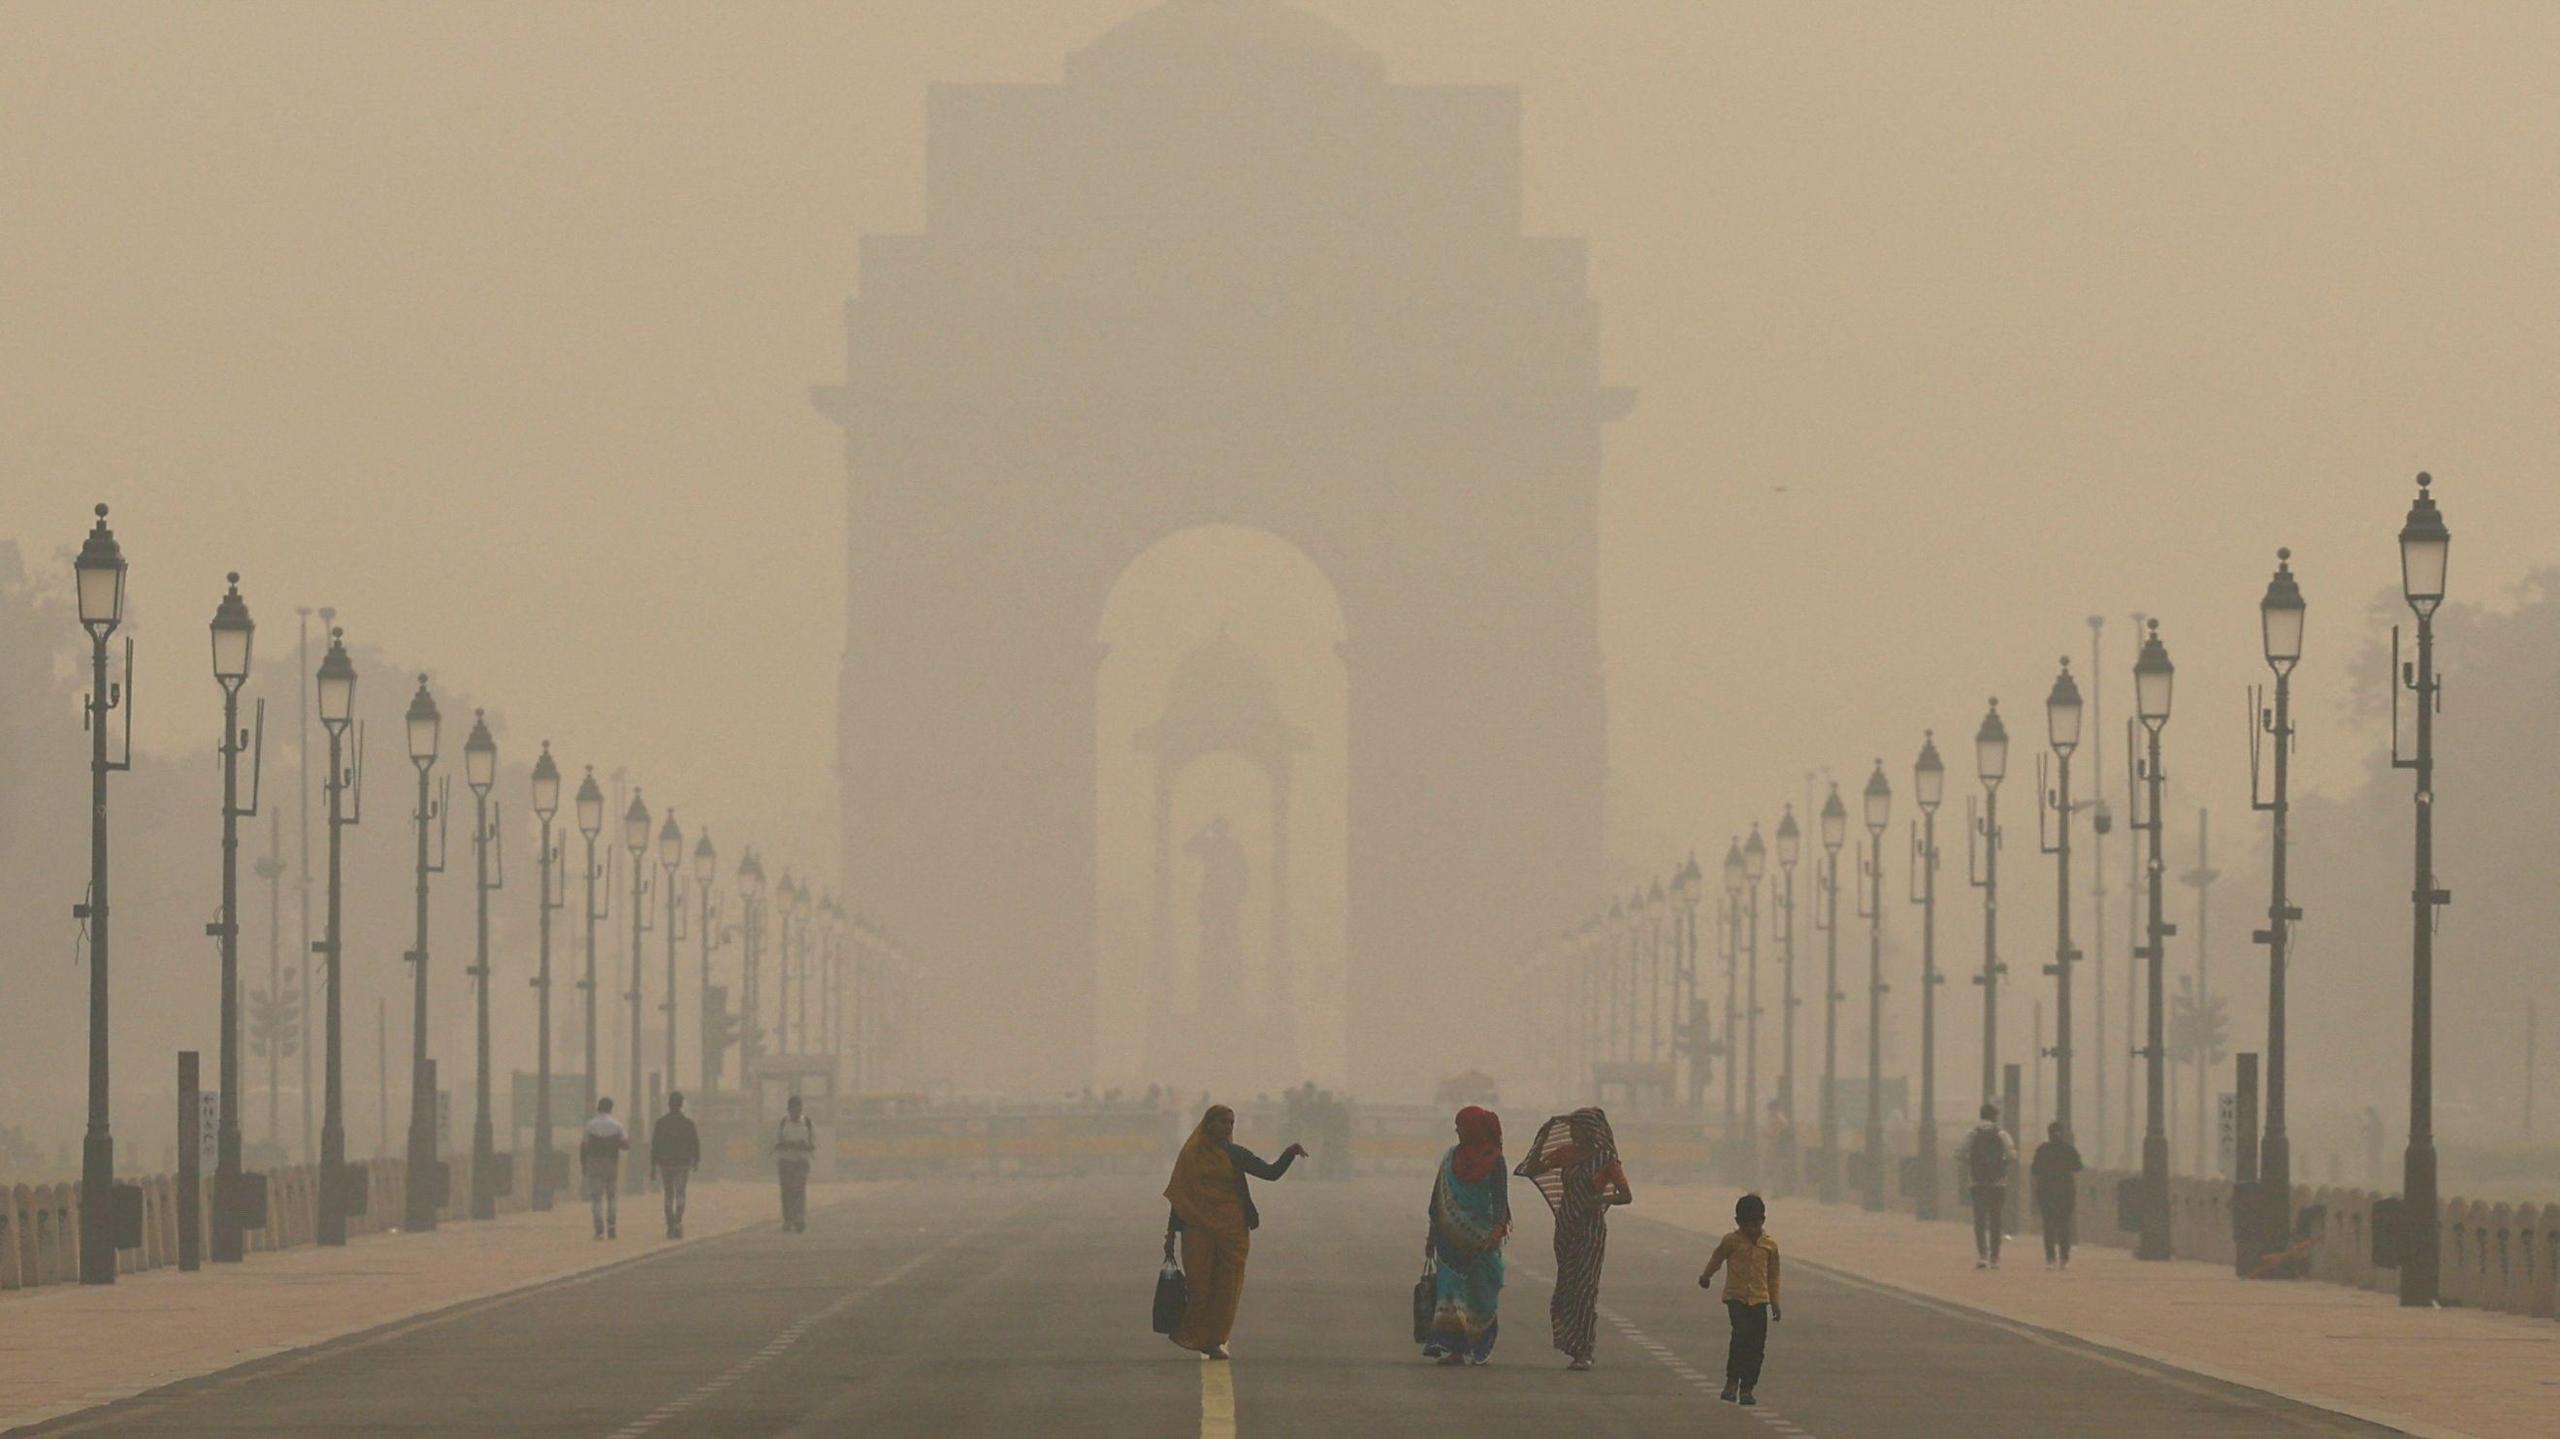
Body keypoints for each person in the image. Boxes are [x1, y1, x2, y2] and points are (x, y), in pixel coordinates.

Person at [1162, 1103, 1307, 1360]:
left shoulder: (1235, 1154)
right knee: (1200, 1285)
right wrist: (1171, 1234)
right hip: (1197, 1229)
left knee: (1227, 1287)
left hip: (1232, 1231)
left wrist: (1288, 1155)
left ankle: (1214, 1340)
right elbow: (1181, 1195)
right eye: (1223, 1121)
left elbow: (1269, 1173)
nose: (1228, 1127)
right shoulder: (1191, 1155)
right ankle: (1193, 1333)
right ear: (1209, 1124)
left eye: (1231, 1123)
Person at [1516, 1106, 1632, 1371]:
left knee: (1585, 1287)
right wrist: (1542, 1142)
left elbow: (1626, 1195)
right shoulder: (1565, 1154)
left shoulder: (1606, 1159)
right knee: (1567, 1285)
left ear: (1590, 1130)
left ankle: (1584, 1348)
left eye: (1577, 1128)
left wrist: (1598, 1199)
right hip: (1566, 1226)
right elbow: (1532, 1168)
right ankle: (1571, 1342)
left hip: (1590, 1228)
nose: (1573, 1132)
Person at [1421, 1106, 1511, 1366]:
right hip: (1449, 1237)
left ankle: (1479, 1345)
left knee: (1482, 1292)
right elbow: (1437, 1199)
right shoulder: (1450, 1158)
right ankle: (1455, 1350)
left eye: (1461, 1126)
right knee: (1451, 1292)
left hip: (1482, 1238)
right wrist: (1431, 1236)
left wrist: (1497, 1229)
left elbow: (1500, 1198)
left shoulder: (1495, 1159)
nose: (1457, 1131)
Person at [1698, 1192, 1781, 1406]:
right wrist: (1706, 1276)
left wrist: (1775, 1302)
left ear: (1763, 1220)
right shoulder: (1731, 1241)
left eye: (1756, 1223)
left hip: (1760, 1299)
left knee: (1757, 1345)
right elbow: (1717, 1258)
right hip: (1736, 1297)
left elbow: (1773, 1276)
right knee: (1741, 1336)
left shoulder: (1770, 1246)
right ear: (1738, 1222)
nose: (1752, 1229)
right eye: (1747, 1225)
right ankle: (1732, 1382)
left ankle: (1747, 1387)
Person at [1962, 1102, 2017, 1269]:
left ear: (1981, 1116)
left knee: (1979, 1219)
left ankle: (1982, 1256)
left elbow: (1959, 1153)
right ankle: (1994, 1257)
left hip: (1977, 1182)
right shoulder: (2001, 1134)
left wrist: (1972, 1164)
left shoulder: (1972, 1134)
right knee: (1995, 1219)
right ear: (1994, 1117)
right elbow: (2012, 1155)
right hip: (1997, 1183)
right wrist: (2001, 1165)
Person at [2030, 1121, 2084, 1269]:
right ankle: (2064, 1259)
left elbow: (2034, 1170)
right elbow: (2078, 1167)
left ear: (2048, 1133)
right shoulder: (2068, 1149)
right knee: (2064, 1225)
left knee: (2048, 1226)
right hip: (2065, 1192)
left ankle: (2050, 1259)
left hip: (2046, 1192)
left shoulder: (2042, 1150)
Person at [650, 1091, 701, 1239]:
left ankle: (670, 1224)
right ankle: (678, 1221)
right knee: (680, 1193)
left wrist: (653, 1165)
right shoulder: (688, 1124)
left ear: (669, 1104)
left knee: (668, 1194)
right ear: (681, 1104)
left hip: (665, 1163)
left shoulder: (661, 1123)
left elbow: (655, 1145)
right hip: (682, 1163)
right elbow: (694, 1143)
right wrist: (696, 1160)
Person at [579, 1097, 629, 1240]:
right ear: (610, 1108)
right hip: (611, 1162)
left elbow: (584, 1147)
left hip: (594, 1162)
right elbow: (626, 1145)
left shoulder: (590, 1125)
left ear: (598, 1108)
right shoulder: (617, 1125)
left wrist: (584, 1165)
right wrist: (612, 1142)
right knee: (612, 1196)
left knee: (596, 1199)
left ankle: (599, 1230)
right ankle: (612, 1226)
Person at [775, 1095, 817, 1233]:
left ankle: (799, 1218)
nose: (795, 1112)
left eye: (797, 1109)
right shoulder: (783, 1123)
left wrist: (803, 1146)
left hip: (801, 1161)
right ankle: (788, 1219)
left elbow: (814, 1145)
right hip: (785, 1161)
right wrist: (787, 1145)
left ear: (801, 1109)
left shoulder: (808, 1123)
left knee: (799, 1190)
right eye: (792, 1109)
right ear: (788, 1110)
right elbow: (776, 1144)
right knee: (786, 1191)